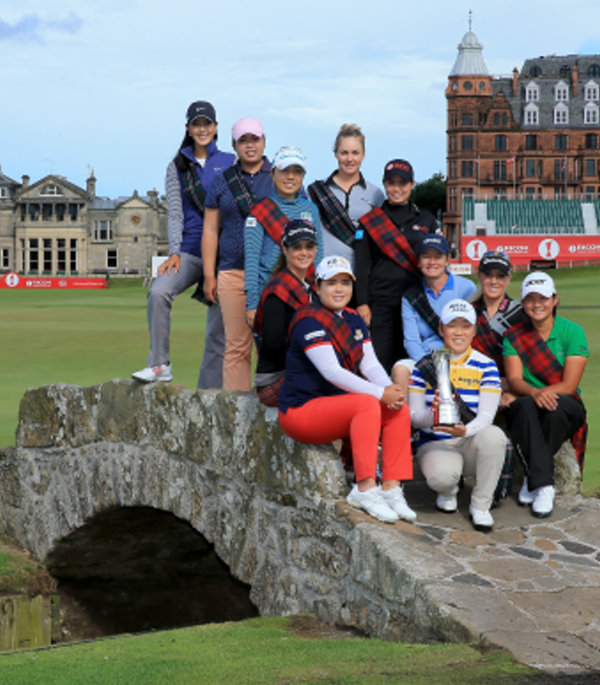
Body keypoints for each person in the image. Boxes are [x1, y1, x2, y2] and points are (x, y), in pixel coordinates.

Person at [278, 255, 416, 524]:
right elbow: (331, 372)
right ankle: (364, 488)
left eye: (345, 282)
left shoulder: (353, 318)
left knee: (397, 407)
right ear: (317, 287)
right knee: (366, 403)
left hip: (336, 408)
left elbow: (370, 363)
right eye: (331, 283)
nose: (339, 289)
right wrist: (379, 394)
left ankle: (391, 487)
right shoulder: (309, 320)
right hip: (301, 413)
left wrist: (389, 390)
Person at [132, 100, 234, 386]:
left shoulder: (230, 161)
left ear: (215, 128)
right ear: (188, 128)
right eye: (196, 124)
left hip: (225, 255)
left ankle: (207, 395)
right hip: (190, 250)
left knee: (217, 332)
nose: (202, 129)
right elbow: (175, 212)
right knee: (158, 292)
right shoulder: (176, 166)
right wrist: (174, 251)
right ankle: (159, 364)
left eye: (207, 124)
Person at [408, 299, 506, 532]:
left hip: (470, 440)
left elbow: (486, 416)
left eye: (466, 325)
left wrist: (465, 430)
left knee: (495, 436)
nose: (459, 332)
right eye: (452, 325)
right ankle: (449, 489)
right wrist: (433, 416)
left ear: (474, 330)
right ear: (442, 329)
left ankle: (480, 506)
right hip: (435, 443)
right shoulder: (423, 366)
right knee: (442, 478)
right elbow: (412, 417)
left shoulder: (487, 365)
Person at [503, 271, 588, 518]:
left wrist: (538, 394)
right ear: (523, 303)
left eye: (543, 298)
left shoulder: (572, 331)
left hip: (566, 404)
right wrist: (534, 393)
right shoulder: (514, 336)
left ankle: (534, 479)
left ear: (555, 300)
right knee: (526, 407)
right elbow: (515, 380)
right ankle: (545, 486)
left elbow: (569, 386)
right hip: (528, 400)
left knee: (554, 408)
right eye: (530, 299)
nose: (537, 304)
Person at [202, 118, 273, 391]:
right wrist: (209, 274)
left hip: (270, 273)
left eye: (255, 139)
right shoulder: (222, 182)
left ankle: (270, 412)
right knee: (236, 346)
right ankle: (236, 415)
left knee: (270, 344)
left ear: (264, 141)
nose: (250, 145)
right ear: (234, 145)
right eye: (244, 140)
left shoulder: (280, 177)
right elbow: (210, 231)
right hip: (231, 271)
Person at [354, 159, 438, 373]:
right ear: (385, 184)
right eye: (392, 183)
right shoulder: (370, 221)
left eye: (403, 183)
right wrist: (362, 303)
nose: (397, 189)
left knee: (412, 364)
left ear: (412, 184)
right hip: (379, 302)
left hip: (415, 302)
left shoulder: (427, 219)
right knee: (379, 363)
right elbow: (362, 266)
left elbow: (436, 263)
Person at [244, 146, 323, 328]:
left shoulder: (311, 209)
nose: (290, 177)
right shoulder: (258, 212)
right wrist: (252, 304)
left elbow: (317, 257)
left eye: (297, 171)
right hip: (271, 295)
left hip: (305, 296)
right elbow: (252, 261)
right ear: (273, 174)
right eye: (284, 171)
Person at [253, 220, 319, 406]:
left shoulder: (310, 286)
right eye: (297, 247)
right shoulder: (278, 289)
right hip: (275, 379)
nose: (304, 253)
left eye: (309, 246)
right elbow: (274, 344)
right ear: (285, 249)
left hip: (298, 370)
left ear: (315, 250)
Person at [308, 124, 384, 268]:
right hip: (324, 273)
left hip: (362, 275)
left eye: (355, 153)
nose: (350, 159)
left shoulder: (375, 194)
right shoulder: (316, 191)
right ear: (336, 153)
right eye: (344, 153)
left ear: (363, 154)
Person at [400, 234, 476, 363]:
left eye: (438, 256)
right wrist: (426, 365)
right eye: (426, 256)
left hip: (459, 355)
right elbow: (411, 341)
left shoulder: (467, 288)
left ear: (447, 260)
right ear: (418, 262)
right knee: (400, 369)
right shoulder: (410, 296)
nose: (432, 262)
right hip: (425, 357)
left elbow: (472, 332)